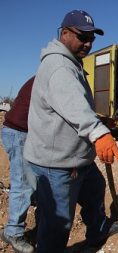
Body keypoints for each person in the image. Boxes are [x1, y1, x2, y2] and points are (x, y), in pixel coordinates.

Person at [23, 10, 118, 252]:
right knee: (58, 224)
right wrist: (98, 132)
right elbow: (74, 105)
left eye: (91, 38)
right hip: (57, 164)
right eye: (82, 37)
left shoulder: (72, 63)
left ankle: (97, 234)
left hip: (78, 159)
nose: (88, 44)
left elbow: (70, 106)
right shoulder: (59, 67)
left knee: (94, 192)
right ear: (65, 33)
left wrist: (99, 121)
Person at [0, 77, 36, 253]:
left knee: (28, 180)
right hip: (20, 133)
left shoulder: (43, 76)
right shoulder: (53, 76)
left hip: (16, 131)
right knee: (23, 184)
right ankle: (13, 232)